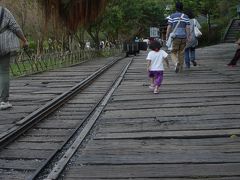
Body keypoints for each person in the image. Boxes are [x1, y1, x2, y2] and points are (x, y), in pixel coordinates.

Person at [0, 6, 28, 110]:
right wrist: (24, 40)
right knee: (3, 72)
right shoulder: (4, 11)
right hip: (4, 45)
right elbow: (15, 27)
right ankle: (3, 101)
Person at [166, 1, 190, 73]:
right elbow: (188, 27)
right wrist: (188, 36)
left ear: (176, 7)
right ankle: (180, 68)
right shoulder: (185, 16)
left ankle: (176, 63)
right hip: (183, 37)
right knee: (181, 53)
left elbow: (169, 26)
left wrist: (167, 36)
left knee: (173, 52)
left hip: (175, 37)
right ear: (182, 7)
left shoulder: (172, 16)